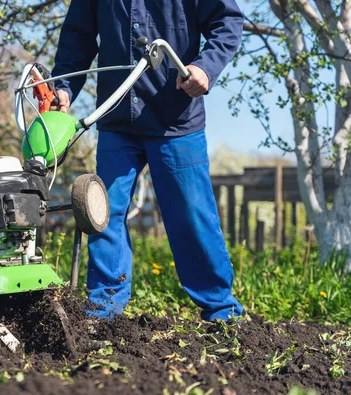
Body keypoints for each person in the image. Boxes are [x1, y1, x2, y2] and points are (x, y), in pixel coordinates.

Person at [51, 0, 245, 322]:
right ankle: (103, 311)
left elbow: (227, 21)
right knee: (103, 212)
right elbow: (78, 35)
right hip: (116, 118)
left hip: (176, 118)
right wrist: (65, 86)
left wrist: (205, 67)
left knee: (191, 215)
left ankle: (221, 311)